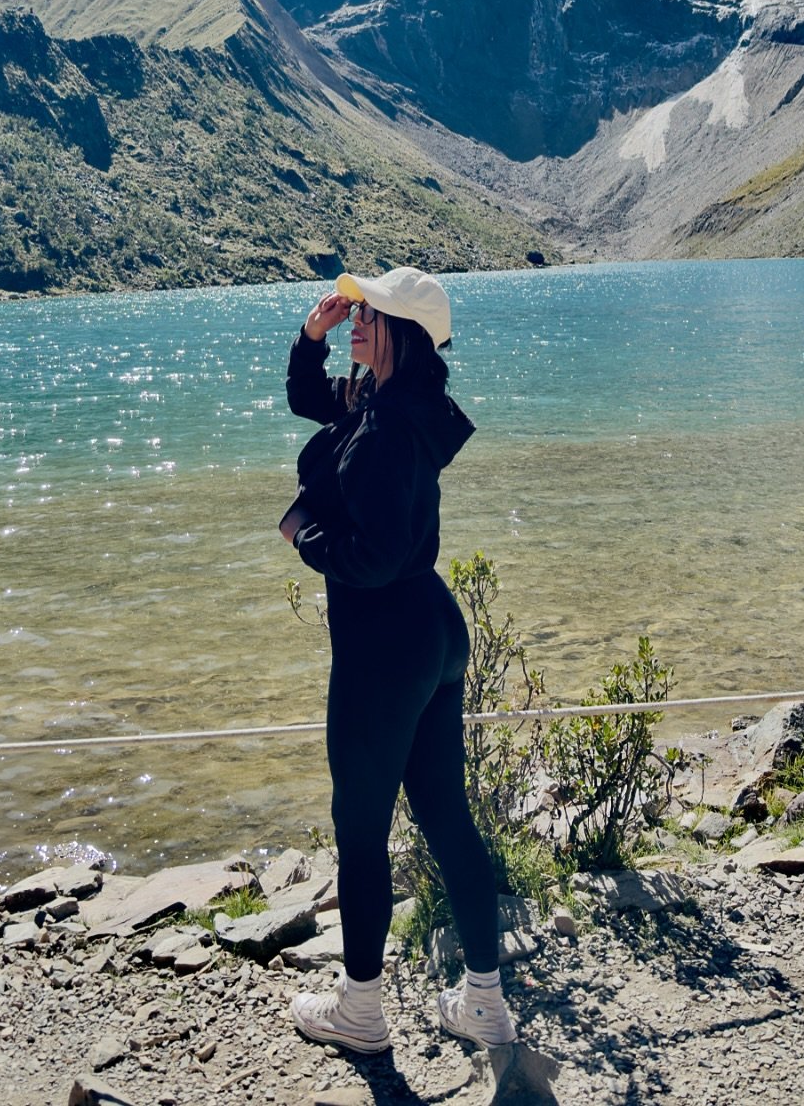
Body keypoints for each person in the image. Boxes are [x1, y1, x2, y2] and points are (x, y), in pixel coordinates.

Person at [279, 266, 516, 1056]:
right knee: (445, 814)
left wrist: (304, 535)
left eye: (368, 313)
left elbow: (372, 558)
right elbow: (309, 401)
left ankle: (361, 1012)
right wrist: (311, 336)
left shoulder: (383, 428)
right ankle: (483, 1001)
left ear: (399, 333)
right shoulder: (400, 406)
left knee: (360, 829)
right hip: (432, 630)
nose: (355, 318)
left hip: (384, 641)